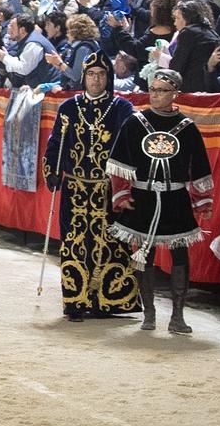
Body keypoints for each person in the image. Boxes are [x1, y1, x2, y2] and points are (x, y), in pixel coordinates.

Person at [107, 68, 213, 334]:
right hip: (143, 197)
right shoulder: (135, 122)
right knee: (145, 255)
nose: (155, 95)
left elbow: (198, 166)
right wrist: (122, 195)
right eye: (152, 90)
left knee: (180, 255)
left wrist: (202, 202)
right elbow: (120, 161)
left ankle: (177, 315)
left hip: (175, 198)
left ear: (175, 93)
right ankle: (149, 313)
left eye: (162, 90)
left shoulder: (187, 128)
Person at [41, 52, 139, 321]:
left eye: (102, 74)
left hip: (106, 189)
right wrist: (52, 171)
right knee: (74, 243)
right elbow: (55, 144)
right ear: (84, 77)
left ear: (109, 78)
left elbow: (131, 143)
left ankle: (106, 301)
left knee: (108, 243)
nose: (96, 79)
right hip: (75, 189)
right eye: (92, 74)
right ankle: (74, 300)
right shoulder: (69, 108)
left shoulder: (121, 108)